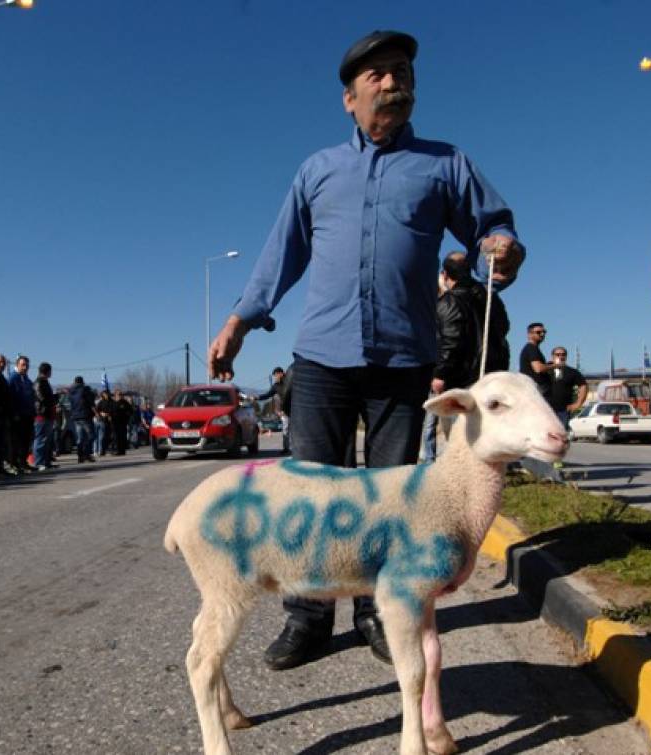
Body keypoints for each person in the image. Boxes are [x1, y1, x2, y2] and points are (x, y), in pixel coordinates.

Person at [207, 30, 525, 670]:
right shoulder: (318, 171)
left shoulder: (444, 164)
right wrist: (242, 319)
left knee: (390, 498)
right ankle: (309, 617)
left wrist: (502, 245)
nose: (392, 80)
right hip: (323, 355)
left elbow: (493, 224)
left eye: (401, 70)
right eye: (377, 74)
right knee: (310, 493)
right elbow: (281, 255)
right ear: (349, 99)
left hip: (403, 356)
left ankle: (380, 611)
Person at [424, 252, 511, 462]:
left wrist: (440, 374)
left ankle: (463, 468)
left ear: (445, 274)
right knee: (483, 424)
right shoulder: (489, 298)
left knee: (459, 429)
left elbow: (451, 340)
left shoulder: (449, 301)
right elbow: (504, 327)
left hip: (461, 376)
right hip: (490, 372)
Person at [6, 355, 36, 474]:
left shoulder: (27, 380)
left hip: (28, 415)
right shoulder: (13, 378)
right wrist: (14, 413)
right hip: (17, 416)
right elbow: (10, 398)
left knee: (26, 440)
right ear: (17, 365)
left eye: (27, 365)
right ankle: (14, 464)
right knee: (16, 441)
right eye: (23, 365)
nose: (25, 367)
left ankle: (23, 463)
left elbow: (31, 396)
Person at [545, 347, 587, 427]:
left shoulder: (572, 372)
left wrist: (578, 404)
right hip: (545, 410)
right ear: (552, 356)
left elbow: (583, 385)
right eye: (557, 355)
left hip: (563, 411)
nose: (560, 357)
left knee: (561, 435)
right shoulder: (545, 370)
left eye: (563, 355)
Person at [255, 367, 290, 455]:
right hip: (285, 411)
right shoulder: (276, 386)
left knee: (298, 430)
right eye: (274, 376)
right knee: (286, 429)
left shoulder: (290, 381)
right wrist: (257, 397)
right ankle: (286, 448)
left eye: (276, 375)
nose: (275, 377)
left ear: (281, 374)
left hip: (296, 409)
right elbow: (268, 395)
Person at [32, 362, 58, 470]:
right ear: (47, 371)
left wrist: (56, 396)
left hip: (47, 414)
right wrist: (52, 400)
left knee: (47, 440)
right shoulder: (39, 382)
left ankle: (46, 462)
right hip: (41, 415)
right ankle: (39, 462)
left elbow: (47, 398)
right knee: (40, 439)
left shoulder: (45, 382)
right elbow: (41, 398)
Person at [68, 377, 97, 463]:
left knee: (80, 438)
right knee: (91, 436)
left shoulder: (71, 391)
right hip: (85, 416)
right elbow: (91, 401)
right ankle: (87, 454)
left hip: (76, 417)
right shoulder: (85, 389)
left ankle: (80, 456)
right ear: (82, 382)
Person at [519, 322, 550, 398]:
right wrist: (557, 365)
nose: (542, 334)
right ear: (530, 334)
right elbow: (538, 368)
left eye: (544, 332)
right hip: (535, 390)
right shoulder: (531, 348)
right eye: (538, 332)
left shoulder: (533, 348)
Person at [111, 389, 133, 455]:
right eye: (118, 394)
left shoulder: (124, 402)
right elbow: (109, 411)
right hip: (115, 422)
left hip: (123, 422)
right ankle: (117, 450)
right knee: (116, 437)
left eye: (121, 394)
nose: (120, 396)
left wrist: (127, 417)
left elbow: (131, 411)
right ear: (115, 395)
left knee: (122, 437)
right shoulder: (113, 403)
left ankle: (122, 450)